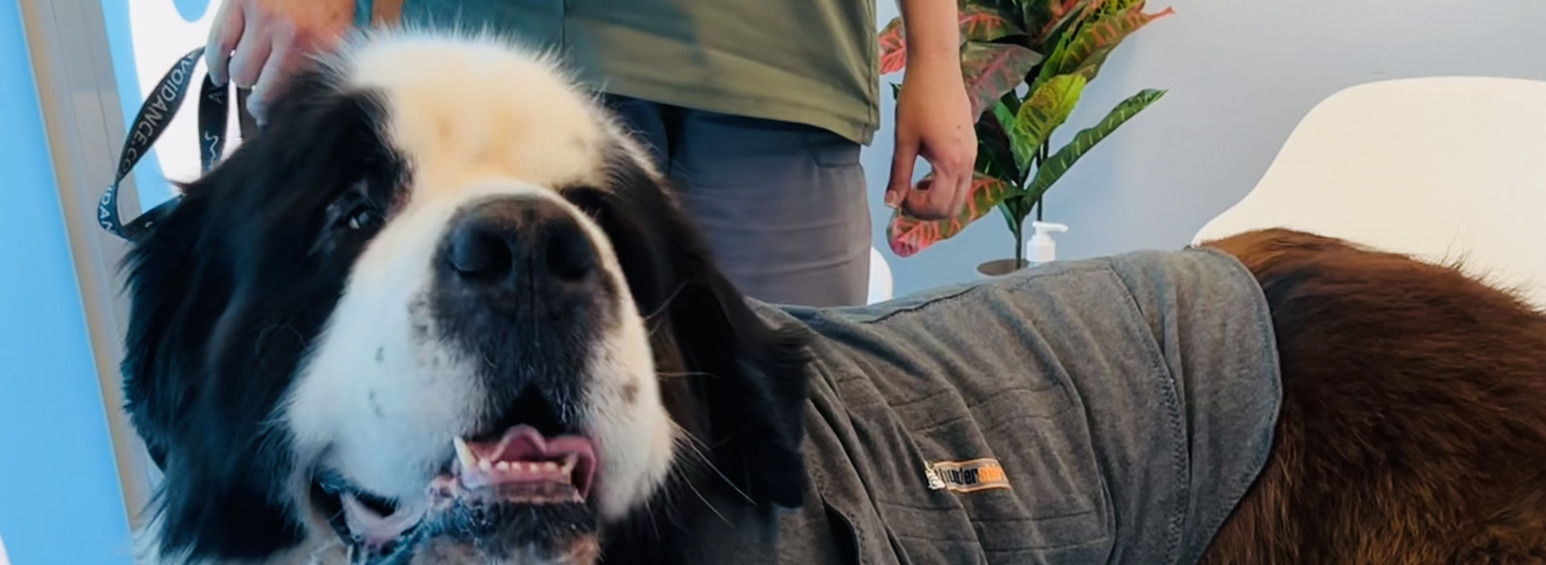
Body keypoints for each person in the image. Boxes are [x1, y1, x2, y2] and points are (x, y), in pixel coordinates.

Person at [203, 0, 974, 306]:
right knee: (508, 461)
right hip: (519, 47)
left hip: (782, 58)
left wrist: (938, 57)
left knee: (783, 472)